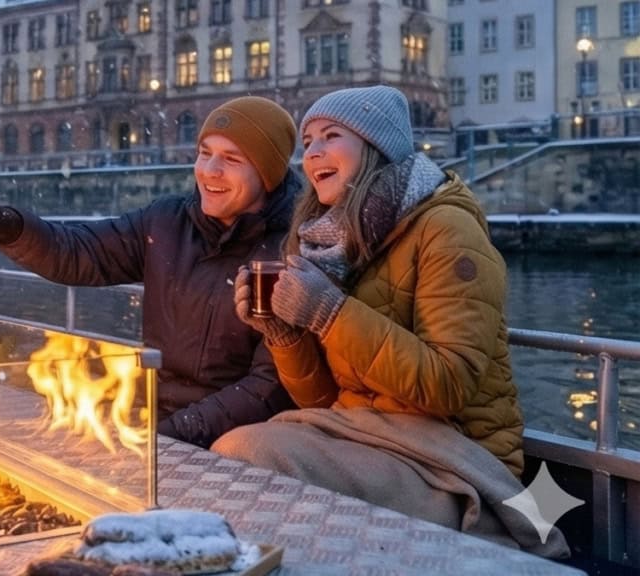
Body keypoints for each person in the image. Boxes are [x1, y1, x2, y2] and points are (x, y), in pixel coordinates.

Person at [218, 85, 568, 558]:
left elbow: (448, 385)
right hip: (370, 436)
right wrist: (284, 336)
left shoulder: (447, 229)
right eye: (309, 141)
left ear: (376, 146)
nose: (313, 152)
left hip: (452, 459)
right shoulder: (332, 243)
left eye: (331, 136)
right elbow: (323, 400)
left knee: (251, 454)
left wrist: (329, 313)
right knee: (240, 456)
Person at [0, 96, 300, 448]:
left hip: (232, 440)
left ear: (267, 175)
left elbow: (269, 386)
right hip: (155, 420)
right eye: (204, 153)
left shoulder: (290, 252)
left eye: (232, 159)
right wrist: (12, 229)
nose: (210, 170)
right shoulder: (167, 222)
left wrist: (173, 435)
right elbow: (80, 252)